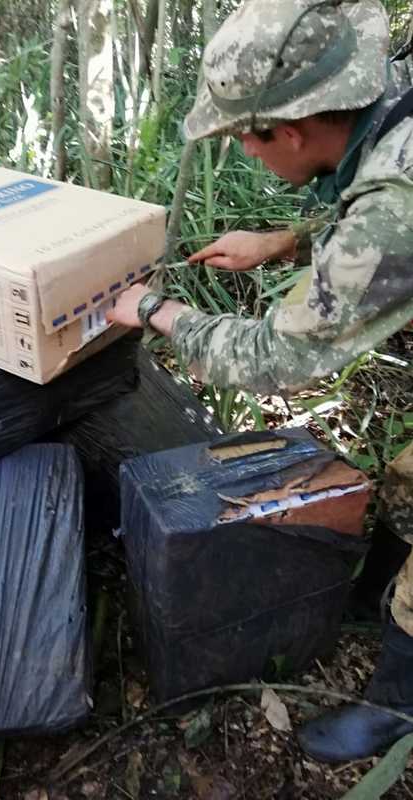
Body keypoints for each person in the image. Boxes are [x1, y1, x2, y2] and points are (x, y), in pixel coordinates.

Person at [106, 0, 413, 764]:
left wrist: (154, 309)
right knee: (406, 480)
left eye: (245, 136)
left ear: (293, 130)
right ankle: (378, 586)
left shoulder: (396, 211)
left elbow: (275, 358)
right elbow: (375, 206)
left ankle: (399, 706)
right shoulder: (390, 98)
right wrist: (286, 240)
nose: (244, 151)